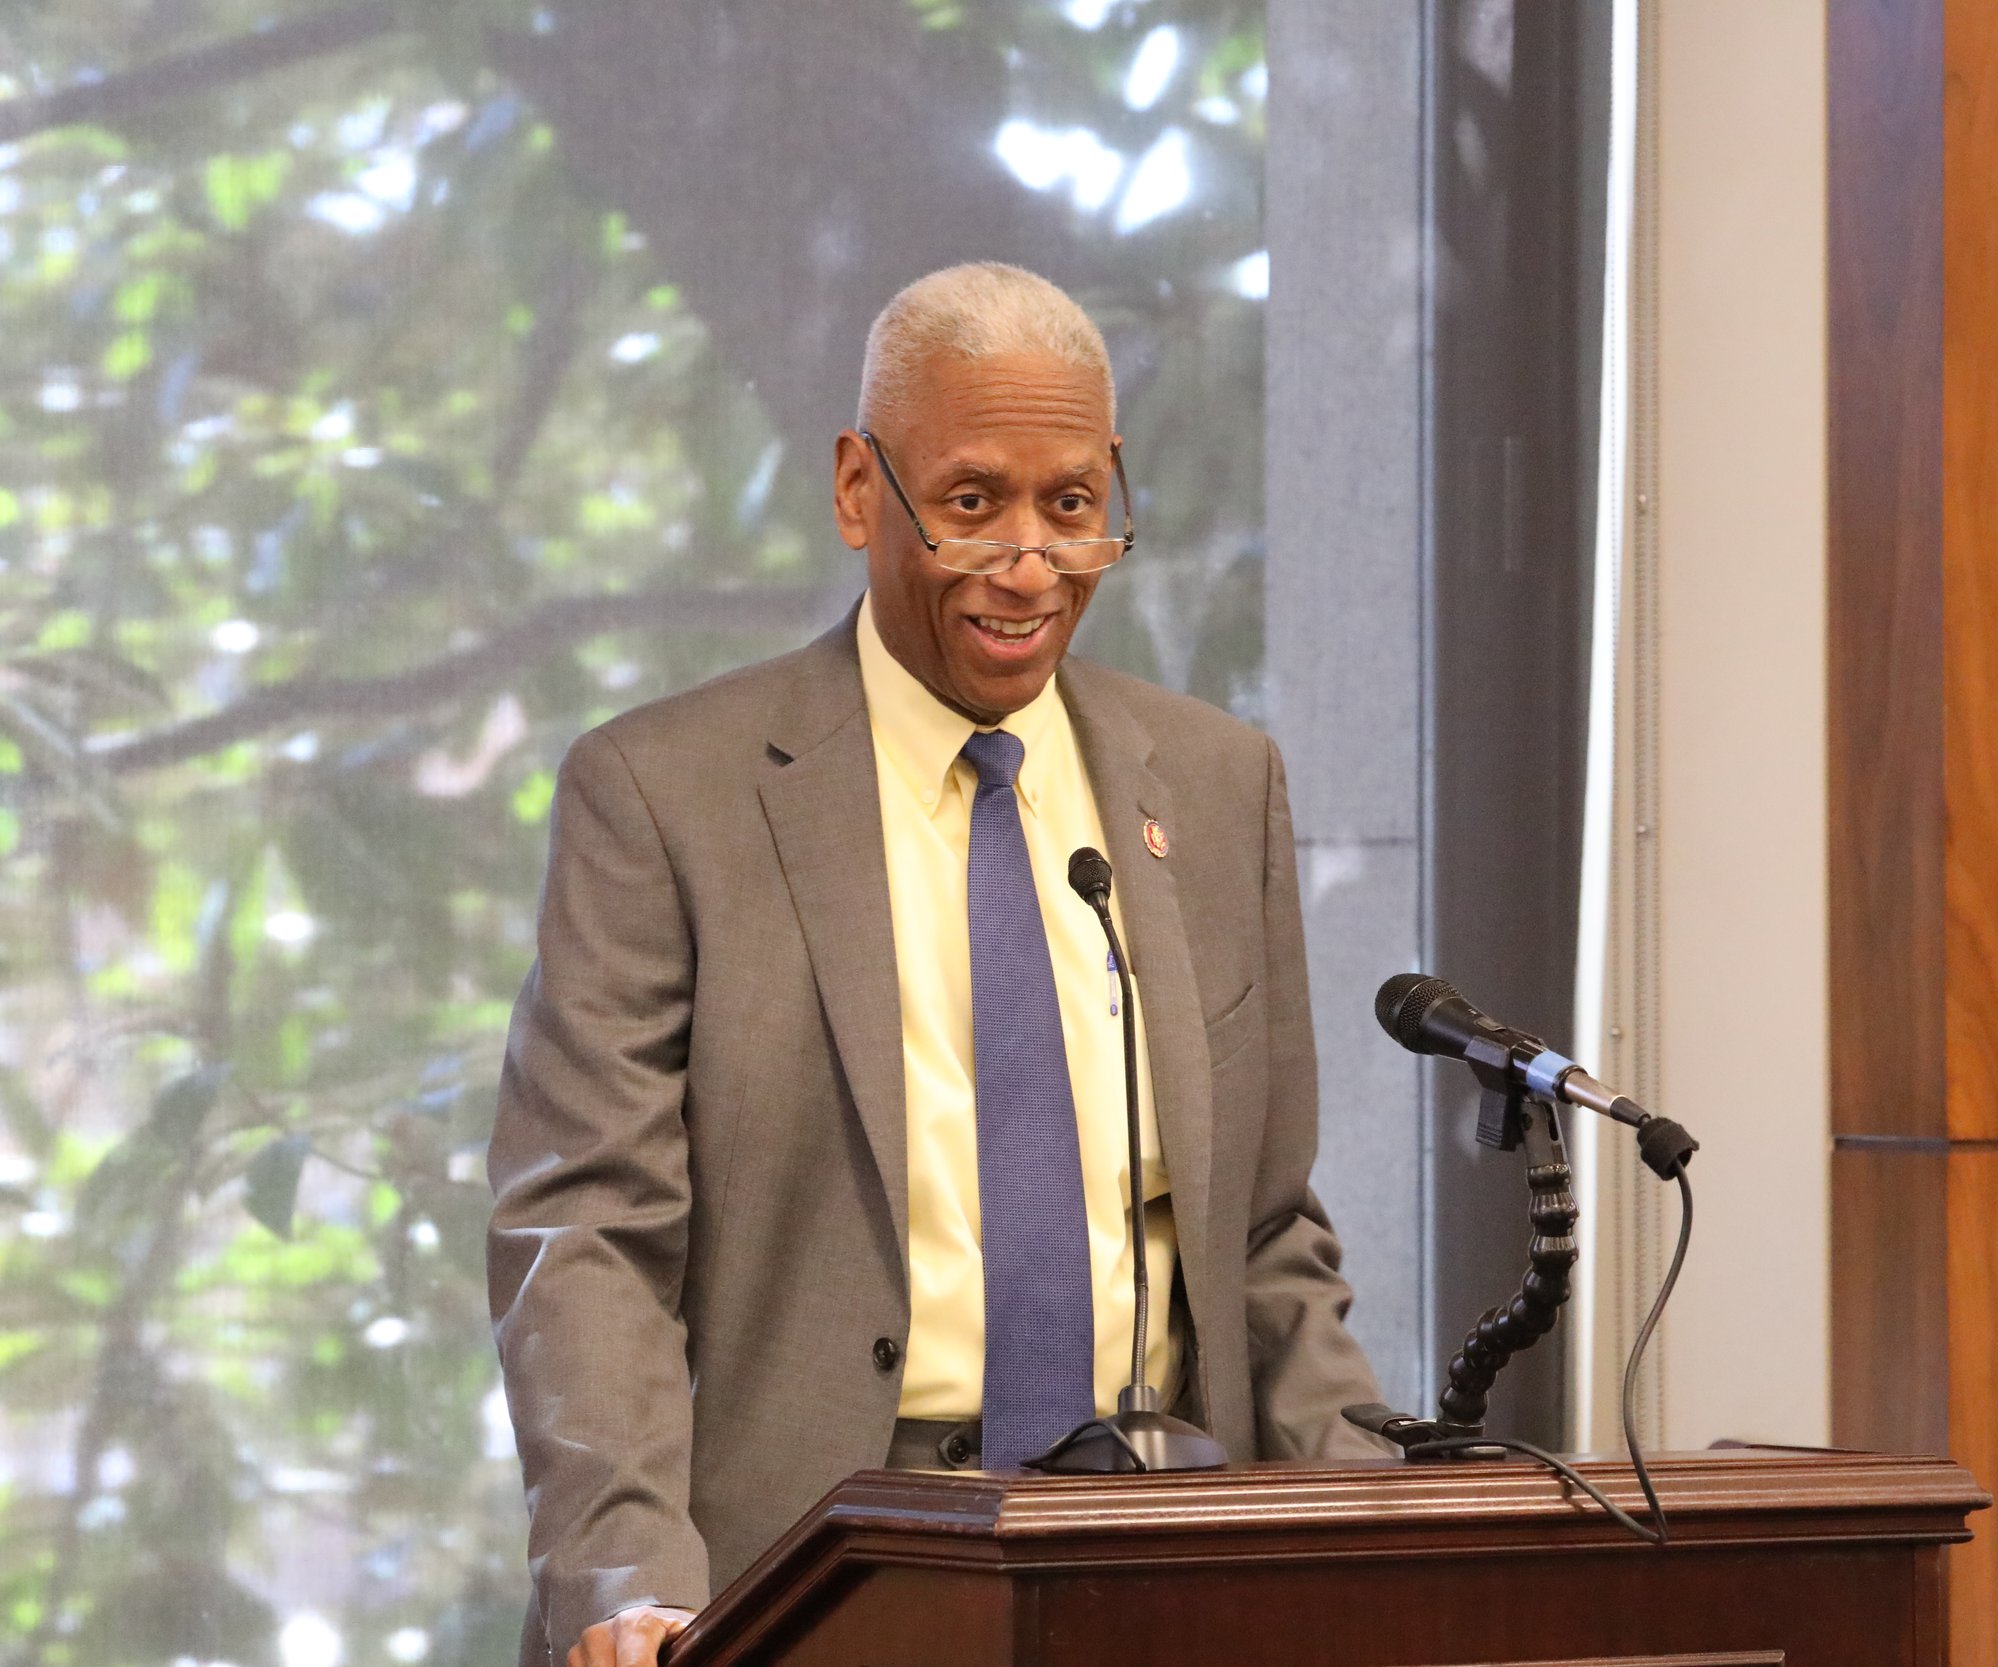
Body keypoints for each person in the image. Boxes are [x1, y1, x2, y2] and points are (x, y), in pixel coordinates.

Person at [487, 263, 1386, 1667]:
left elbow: (1264, 1238)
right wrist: (628, 1579)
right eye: (972, 502)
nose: (1027, 562)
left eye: (1071, 507)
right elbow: (590, 1236)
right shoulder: (665, 794)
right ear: (860, 490)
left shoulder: (1215, 787)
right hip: (800, 1586)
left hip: (1166, 1580)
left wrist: (1375, 1546)